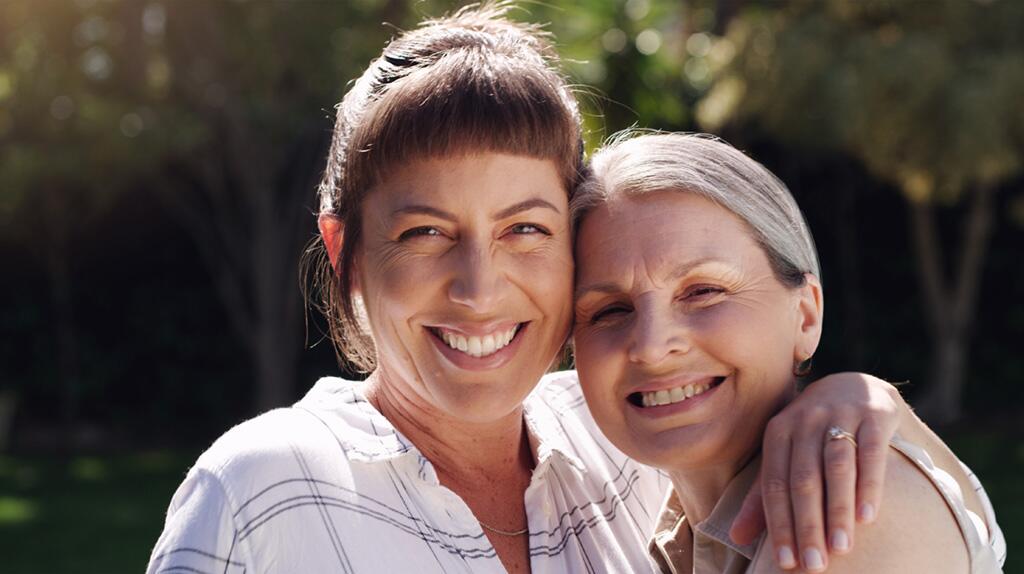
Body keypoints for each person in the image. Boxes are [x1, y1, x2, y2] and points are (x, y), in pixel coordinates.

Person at [148, 5, 937, 573]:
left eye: (524, 229)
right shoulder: (266, 490)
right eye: (425, 233)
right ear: (345, 249)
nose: (479, 288)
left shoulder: (625, 442)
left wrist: (857, 398)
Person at [570, 132, 1007, 573]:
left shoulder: (851, 501)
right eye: (610, 311)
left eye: (704, 291)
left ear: (805, 317)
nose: (652, 346)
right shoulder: (666, 528)